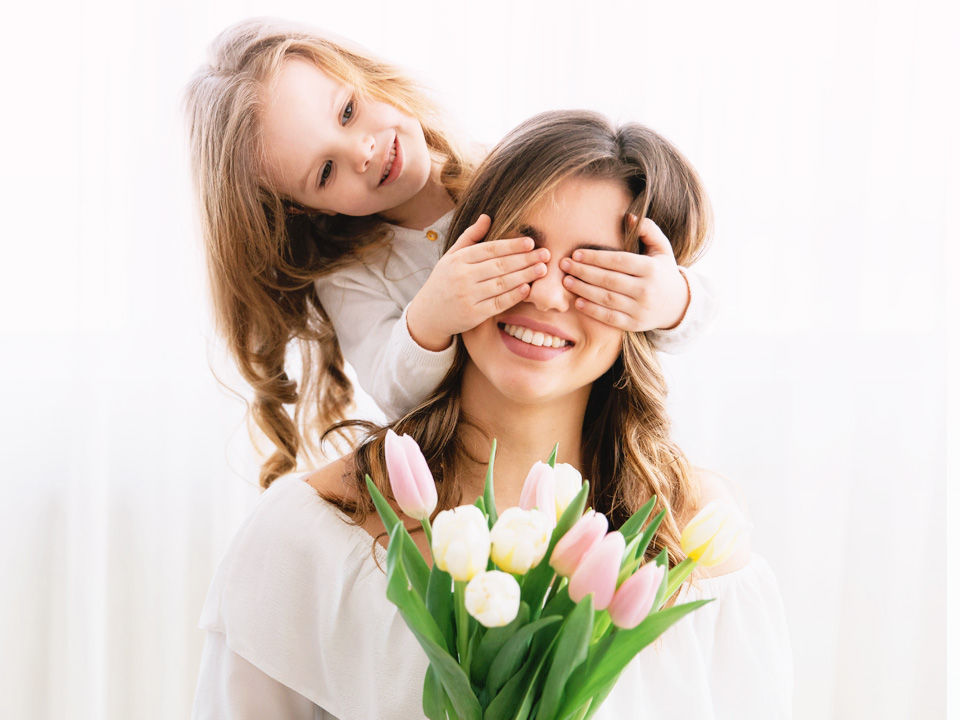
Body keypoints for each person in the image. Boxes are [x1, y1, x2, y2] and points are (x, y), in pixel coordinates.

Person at [192, 111, 792, 719]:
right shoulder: (311, 535)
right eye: (519, 251)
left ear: (646, 301)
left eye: (595, 270)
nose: (546, 294)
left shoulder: (694, 541)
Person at [183, 18, 718, 489]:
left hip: (585, 445)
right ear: (303, 209)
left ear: (370, 75)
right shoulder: (352, 275)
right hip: (460, 477)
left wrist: (672, 300)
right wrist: (433, 316)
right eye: (324, 172)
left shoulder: (508, 172)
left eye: (348, 110)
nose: (362, 152)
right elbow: (395, 390)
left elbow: (690, 303)